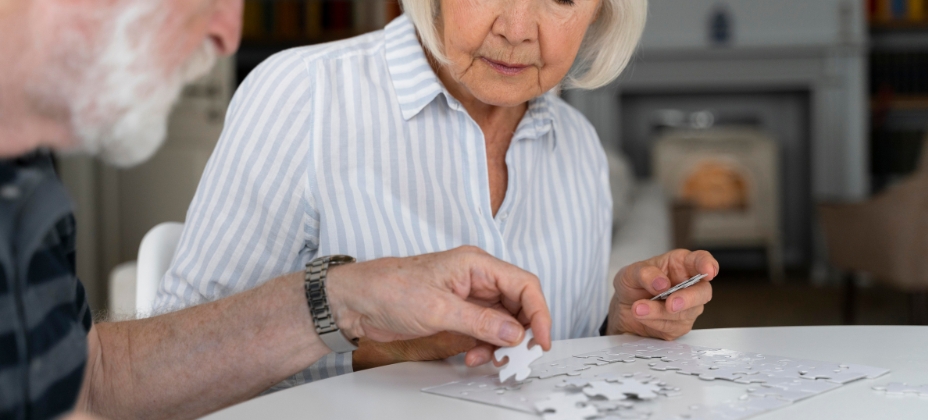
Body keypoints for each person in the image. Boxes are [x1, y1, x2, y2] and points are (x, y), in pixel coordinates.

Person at [0, 1, 554, 419]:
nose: (227, 34)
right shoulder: (303, 90)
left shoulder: (25, 181)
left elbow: (94, 380)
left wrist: (350, 297)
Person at [157, 0, 719, 389]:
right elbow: (172, 369)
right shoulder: (304, 97)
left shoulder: (579, 148)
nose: (517, 29)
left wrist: (615, 329)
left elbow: (549, 366)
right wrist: (379, 353)